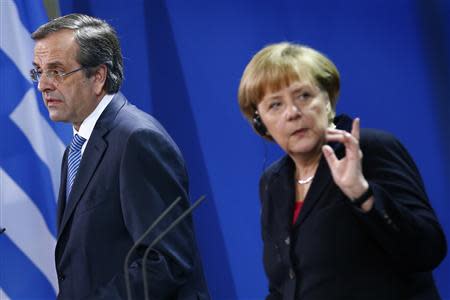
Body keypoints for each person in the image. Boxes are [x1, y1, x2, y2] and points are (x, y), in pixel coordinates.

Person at [238, 42, 447, 300]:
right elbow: (284, 286)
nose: (292, 113)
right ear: (261, 124)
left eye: (303, 95)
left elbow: (428, 249)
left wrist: (362, 194)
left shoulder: (369, 149)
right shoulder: (273, 182)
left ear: (327, 100)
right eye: (275, 105)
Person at [31, 14, 209, 299]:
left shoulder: (137, 139)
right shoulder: (77, 148)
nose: (42, 85)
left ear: (98, 76)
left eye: (57, 71)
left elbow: (166, 261)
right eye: (38, 72)